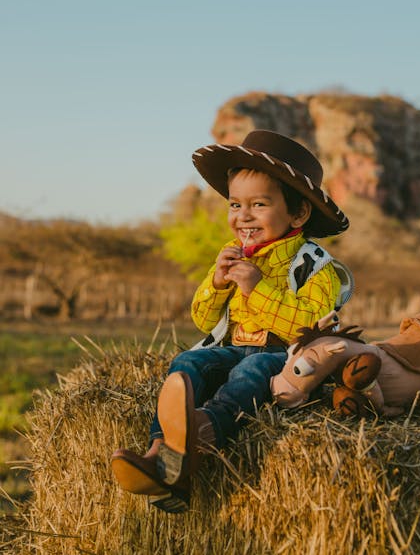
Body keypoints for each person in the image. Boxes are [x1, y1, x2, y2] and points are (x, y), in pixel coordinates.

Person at [111, 130, 350, 512]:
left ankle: (201, 435)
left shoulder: (316, 266)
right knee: (188, 362)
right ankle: (161, 451)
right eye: (235, 205)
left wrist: (258, 290)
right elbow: (203, 319)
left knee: (252, 371)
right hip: (233, 345)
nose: (243, 216)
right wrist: (218, 283)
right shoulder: (234, 254)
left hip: (283, 355)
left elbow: (309, 326)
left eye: (258, 204)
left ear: (298, 213)